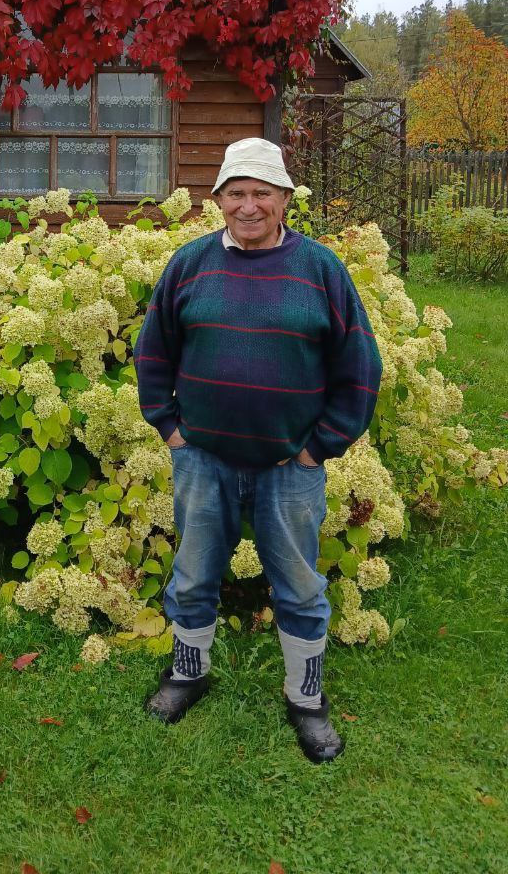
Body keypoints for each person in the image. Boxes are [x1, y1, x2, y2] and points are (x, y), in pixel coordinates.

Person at [134, 137, 382, 762]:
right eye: (237, 193)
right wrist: (169, 428)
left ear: (284, 200)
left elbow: (359, 365)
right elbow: (153, 351)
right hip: (202, 461)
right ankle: (188, 673)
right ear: (218, 199)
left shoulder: (320, 270)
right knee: (193, 575)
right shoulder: (190, 265)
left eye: (261, 194)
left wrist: (319, 446)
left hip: (290, 468)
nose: (249, 206)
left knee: (298, 586)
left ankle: (307, 699)